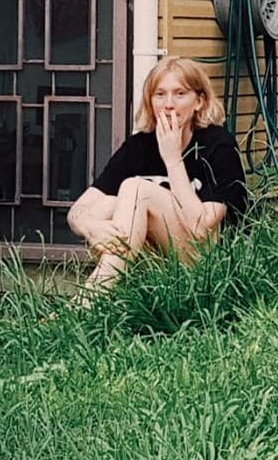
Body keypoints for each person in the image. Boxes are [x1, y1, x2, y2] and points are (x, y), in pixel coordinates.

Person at [66, 57, 249, 293]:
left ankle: (91, 298)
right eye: (160, 94)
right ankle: (110, 290)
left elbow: (201, 229)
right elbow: (78, 211)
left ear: (199, 101)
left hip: (210, 266)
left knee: (136, 189)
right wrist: (91, 227)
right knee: (106, 206)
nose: (168, 104)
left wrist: (173, 159)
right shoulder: (139, 146)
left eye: (180, 93)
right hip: (154, 258)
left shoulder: (219, 145)